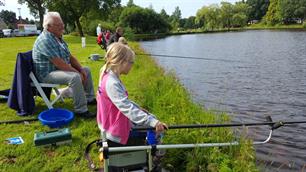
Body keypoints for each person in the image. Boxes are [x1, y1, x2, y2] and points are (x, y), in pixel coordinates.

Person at [97, 43, 167, 145]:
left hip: (111, 122)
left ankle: (150, 146)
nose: (132, 65)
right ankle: (155, 155)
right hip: (114, 129)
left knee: (150, 116)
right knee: (153, 122)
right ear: (122, 62)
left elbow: (122, 101)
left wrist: (138, 108)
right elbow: (127, 108)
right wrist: (154, 122)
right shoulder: (112, 83)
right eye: (131, 62)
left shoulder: (108, 74)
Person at [32, 12, 95, 118]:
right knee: (75, 77)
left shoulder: (57, 37)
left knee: (86, 69)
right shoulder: (45, 40)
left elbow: (70, 57)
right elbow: (59, 63)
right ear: (49, 27)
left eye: (62, 24)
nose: (62, 26)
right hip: (46, 74)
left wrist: (80, 69)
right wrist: (77, 73)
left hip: (56, 69)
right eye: (58, 25)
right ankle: (81, 110)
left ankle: (90, 99)